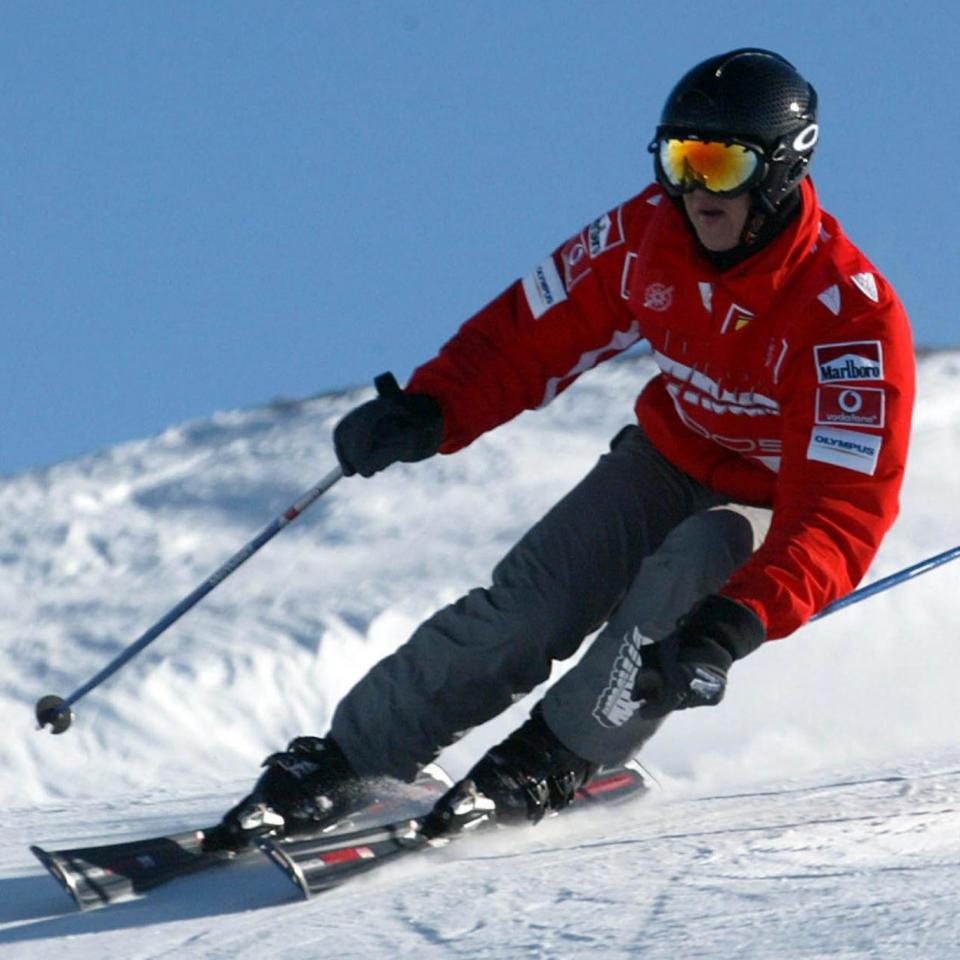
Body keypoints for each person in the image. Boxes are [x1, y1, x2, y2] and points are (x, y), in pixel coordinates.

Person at [206, 48, 914, 849]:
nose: (692, 189)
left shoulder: (850, 322)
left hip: (763, 502)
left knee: (684, 580)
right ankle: (353, 760)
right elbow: (532, 333)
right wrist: (434, 407)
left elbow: (840, 512)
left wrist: (735, 623)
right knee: (532, 603)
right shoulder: (646, 234)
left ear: (782, 168)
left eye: (720, 165)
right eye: (680, 159)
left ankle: (554, 756)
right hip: (667, 455)